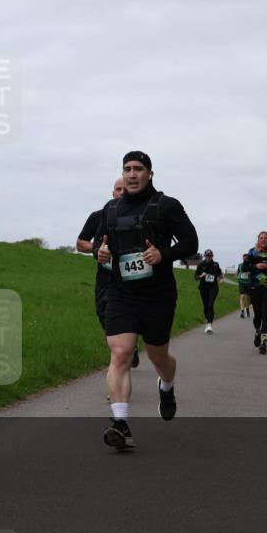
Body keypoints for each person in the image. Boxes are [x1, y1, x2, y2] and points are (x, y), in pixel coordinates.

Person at [95, 151, 199, 450]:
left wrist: (163, 254)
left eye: (138, 169)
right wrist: (99, 253)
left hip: (158, 294)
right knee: (121, 353)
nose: (131, 174)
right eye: (126, 169)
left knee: (158, 357)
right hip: (121, 292)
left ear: (150, 173)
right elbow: (100, 245)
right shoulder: (111, 209)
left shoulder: (167, 206)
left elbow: (191, 242)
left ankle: (166, 386)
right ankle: (121, 424)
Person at [77, 177, 140, 369]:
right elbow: (80, 243)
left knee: (126, 321)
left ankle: (122, 355)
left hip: (132, 279)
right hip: (106, 279)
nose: (121, 193)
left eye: (124, 189)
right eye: (118, 189)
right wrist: (98, 249)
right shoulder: (98, 216)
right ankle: (127, 349)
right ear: (112, 193)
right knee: (105, 317)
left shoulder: (140, 216)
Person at [195, 249, 222, 333]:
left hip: (213, 287)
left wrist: (221, 278)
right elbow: (195, 277)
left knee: (210, 305)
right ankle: (207, 320)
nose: (208, 257)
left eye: (210, 256)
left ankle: (209, 324)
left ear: (212, 256)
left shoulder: (215, 264)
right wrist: (201, 276)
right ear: (204, 256)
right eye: (207, 256)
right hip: (203, 288)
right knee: (206, 306)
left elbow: (220, 273)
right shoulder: (201, 265)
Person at [237, 253, 252, 318]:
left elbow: (253, 272)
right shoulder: (240, 265)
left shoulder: (250, 265)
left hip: (248, 283)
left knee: (248, 298)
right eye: (244, 258)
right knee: (242, 297)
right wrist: (238, 275)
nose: (244, 259)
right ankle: (242, 311)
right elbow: (238, 272)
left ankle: (247, 308)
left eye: (246, 258)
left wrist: (250, 273)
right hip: (241, 282)